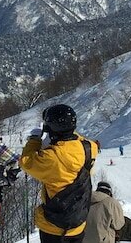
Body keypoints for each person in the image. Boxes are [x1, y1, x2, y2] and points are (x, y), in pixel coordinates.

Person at [20, 103, 101, 243]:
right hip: (78, 223)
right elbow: (76, 140)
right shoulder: (89, 148)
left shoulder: (52, 157)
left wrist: (34, 139)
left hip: (54, 226)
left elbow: (26, 162)